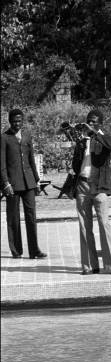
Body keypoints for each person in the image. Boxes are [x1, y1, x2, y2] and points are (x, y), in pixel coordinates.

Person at [72, 109, 111, 275]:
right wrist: (79, 144)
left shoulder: (104, 136)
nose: (90, 124)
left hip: (99, 185)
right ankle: (89, 266)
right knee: (84, 226)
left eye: (94, 121)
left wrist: (95, 133)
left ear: (100, 123)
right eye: (89, 121)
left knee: (104, 223)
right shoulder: (83, 139)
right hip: (83, 184)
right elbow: (75, 165)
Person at [1, 108, 47, 259]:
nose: (17, 124)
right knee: (13, 217)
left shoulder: (27, 135)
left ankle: (34, 250)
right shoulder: (4, 138)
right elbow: (1, 164)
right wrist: (5, 183)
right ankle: (16, 250)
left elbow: (31, 160)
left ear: (23, 121)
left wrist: (37, 181)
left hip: (29, 183)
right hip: (12, 185)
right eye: (14, 121)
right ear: (10, 121)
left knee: (31, 216)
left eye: (19, 121)